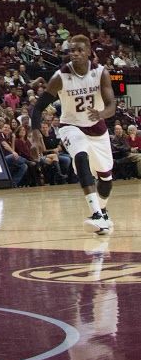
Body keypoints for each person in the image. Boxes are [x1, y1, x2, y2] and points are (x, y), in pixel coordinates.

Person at [31, 35, 116, 234]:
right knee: (80, 155)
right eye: (71, 51)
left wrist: (101, 113)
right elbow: (38, 108)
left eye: (79, 50)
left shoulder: (101, 73)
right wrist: (35, 134)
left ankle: (102, 213)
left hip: (97, 128)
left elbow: (112, 105)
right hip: (71, 126)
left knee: (106, 179)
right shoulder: (60, 77)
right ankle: (95, 213)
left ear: (88, 52)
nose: (75, 54)